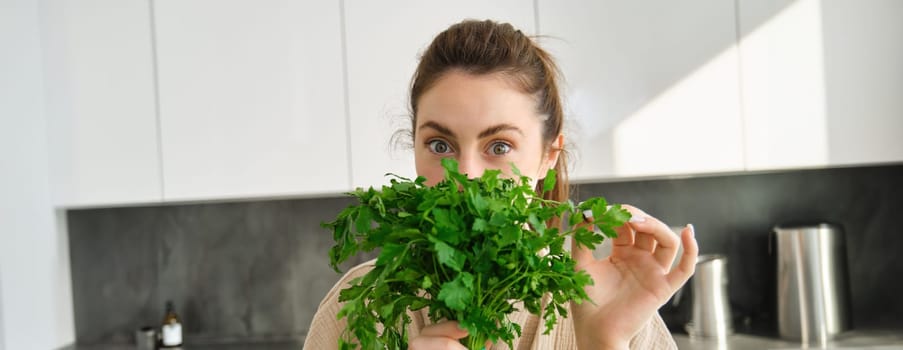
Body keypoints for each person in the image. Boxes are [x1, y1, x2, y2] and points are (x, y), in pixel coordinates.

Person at [304, 19, 698, 350]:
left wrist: (603, 341)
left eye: (499, 145)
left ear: (549, 155)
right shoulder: (362, 304)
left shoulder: (616, 309)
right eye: (439, 144)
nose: (468, 176)